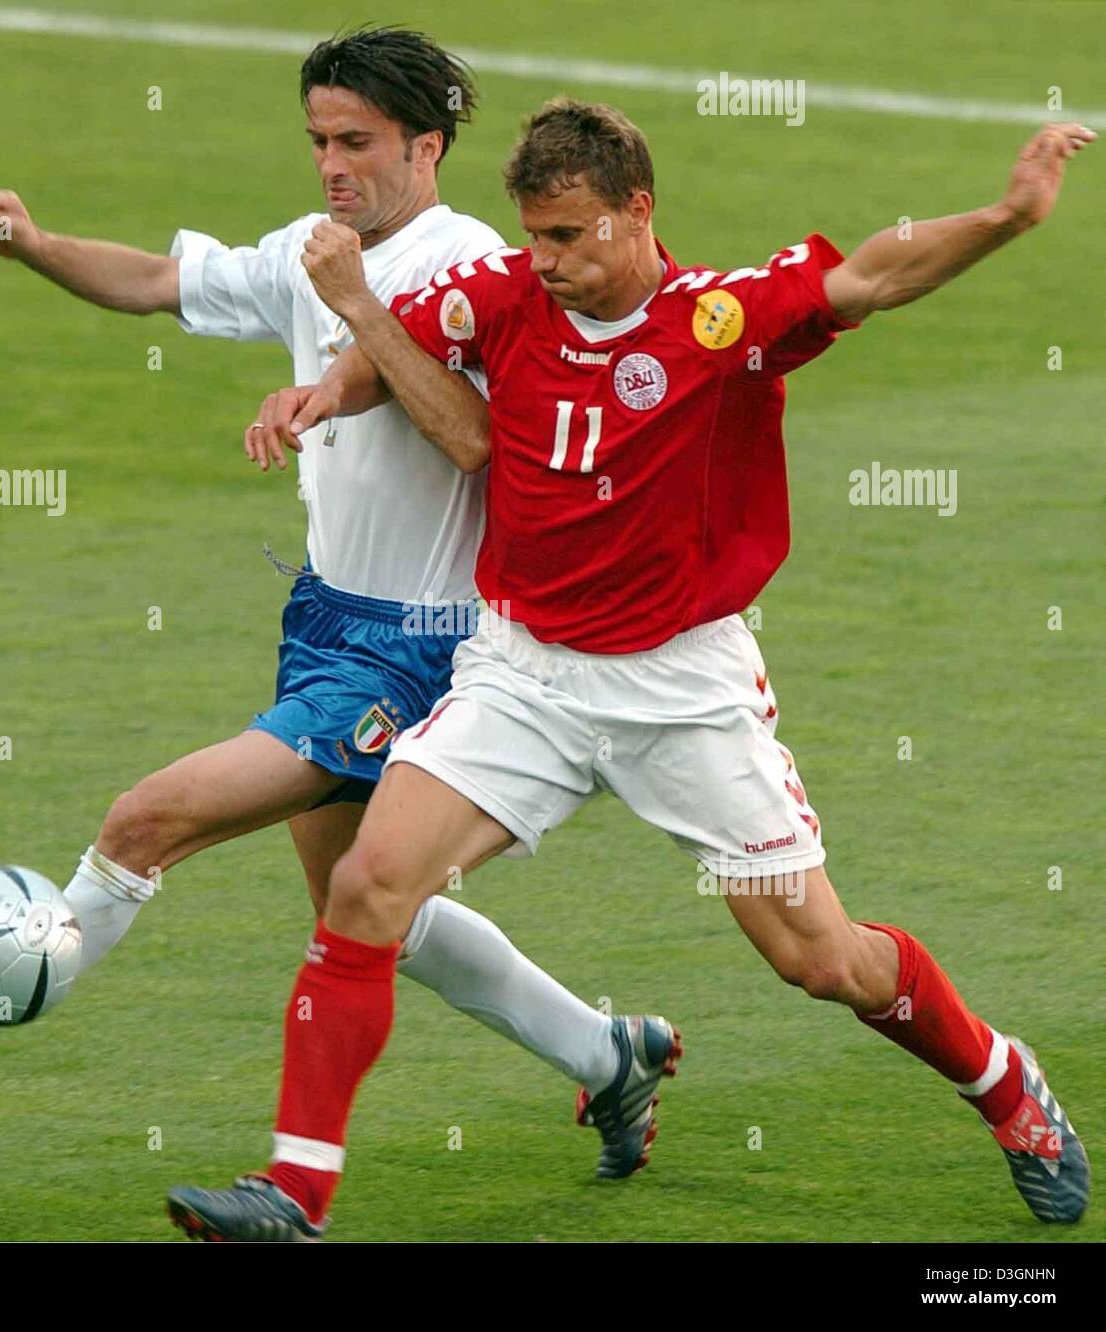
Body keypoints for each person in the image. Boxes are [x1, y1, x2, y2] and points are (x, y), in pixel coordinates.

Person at [174, 98, 1095, 1240]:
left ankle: (1003, 1083)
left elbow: (871, 276)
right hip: (524, 675)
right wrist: (331, 387)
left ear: (636, 211)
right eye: (535, 235)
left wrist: (1010, 215)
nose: (545, 261)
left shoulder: (718, 321)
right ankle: (293, 1193)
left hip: (682, 691)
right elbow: (399, 346)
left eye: (568, 236)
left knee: (824, 962)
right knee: (366, 888)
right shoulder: (506, 292)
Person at [0, 40, 679, 1186]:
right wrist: (30, 244)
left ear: (427, 146)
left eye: (357, 143)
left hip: (418, 651)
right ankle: (606, 1050)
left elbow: (477, 440)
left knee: (145, 823)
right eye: (319, 141)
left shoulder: (473, 266)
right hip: (325, 625)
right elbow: (157, 281)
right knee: (361, 907)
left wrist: (338, 360)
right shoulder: (308, 249)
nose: (332, 166)